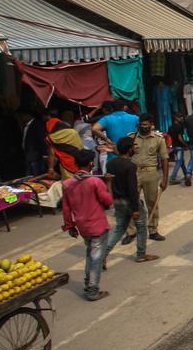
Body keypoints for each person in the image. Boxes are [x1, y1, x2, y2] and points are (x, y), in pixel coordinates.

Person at [61, 149, 113, 302]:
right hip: (97, 225)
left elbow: (66, 208)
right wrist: (108, 183)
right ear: (91, 164)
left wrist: (70, 226)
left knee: (90, 255)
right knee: (95, 258)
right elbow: (108, 202)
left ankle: (88, 283)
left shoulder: (68, 184)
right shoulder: (95, 181)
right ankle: (92, 289)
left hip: (83, 227)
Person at [105, 137, 158, 265]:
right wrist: (135, 209)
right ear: (129, 149)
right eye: (133, 147)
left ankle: (103, 253)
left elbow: (109, 182)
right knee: (141, 227)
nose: (134, 149)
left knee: (119, 228)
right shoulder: (130, 166)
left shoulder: (110, 164)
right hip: (129, 201)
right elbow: (132, 189)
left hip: (117, 201)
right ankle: (141, 254)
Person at [125, 114, 169, 245]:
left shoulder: (158, 139)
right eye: (141, 124)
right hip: (134, 172)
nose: (143, 127)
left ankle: (153, 230)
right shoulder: (131, 137)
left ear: (151, 124)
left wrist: (165, 179)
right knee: (131, 202)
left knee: (152, 202)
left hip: (151, 172)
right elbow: (124, 154)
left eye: (146, 125)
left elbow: (164, 159)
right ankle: (131, 232)